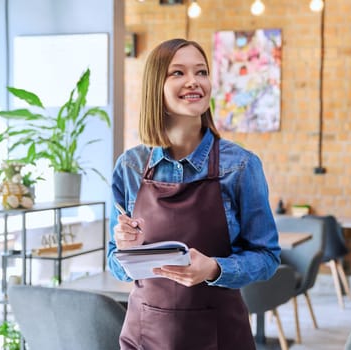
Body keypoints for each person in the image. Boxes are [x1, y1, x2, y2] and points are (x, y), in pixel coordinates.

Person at [107, 38, 281, 350]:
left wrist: (215, 268)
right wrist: (125, 248)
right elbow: (115, 264)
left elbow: (267, 257)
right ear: (155, 86)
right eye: (178, 73)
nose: (194, 82)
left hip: (220, 336)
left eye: (201, 72)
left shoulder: (240, 166)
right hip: (146, 337)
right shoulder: (129, 167)